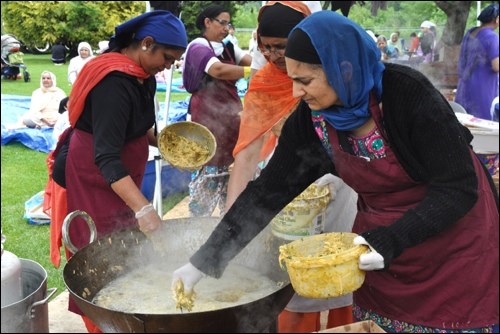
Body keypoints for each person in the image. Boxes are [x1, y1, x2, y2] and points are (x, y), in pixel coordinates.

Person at [172, 10, 499, 333]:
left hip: (454, 246)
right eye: (292, 80)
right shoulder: (313, 120)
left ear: (343, 70)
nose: (296, 92)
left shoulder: (406, 94)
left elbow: (458, 189)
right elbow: (265, 194)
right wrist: (203, 262)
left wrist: (389, 240)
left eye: (305, 81)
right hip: (383, 252)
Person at [44, 10, 187, 333]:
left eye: (175, 61)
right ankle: (104, 324)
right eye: (167, 58)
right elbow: (107, 156)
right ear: (146, 43)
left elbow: (140, 128)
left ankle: (133, 313)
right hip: (96, 176)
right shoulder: (113, 82)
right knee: (98, 254)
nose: (170, 66)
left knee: (128, 245)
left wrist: (170, 145)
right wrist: (144, 208)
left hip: (123, 176)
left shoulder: (143, 76)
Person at [227, 3, 357, 332]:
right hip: (290, 188)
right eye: (264, 46)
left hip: (342, 186)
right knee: (293, 276)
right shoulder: (264, 86)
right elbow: (244, 157)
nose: (271, 55)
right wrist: (230, 229)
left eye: (281, 47)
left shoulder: (340, 74)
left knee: (340, 270)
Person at [182, 5, 252, 217]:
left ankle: (228, 224)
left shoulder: (228, 47)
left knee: (232, 181)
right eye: (222, 23)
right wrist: (252, 71)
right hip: (208, 121)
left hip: (231, 119)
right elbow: (218, 70)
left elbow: (251, 60)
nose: (226, 28)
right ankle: (197, 227)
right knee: (208, 171)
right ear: (207, 22)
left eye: (228, 24)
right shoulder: (198, 46)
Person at [455, 3, 499, 121]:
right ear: (497, 19)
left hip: (464, 87)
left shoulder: (470, 33)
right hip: (482, 89)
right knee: (483, 125)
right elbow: (496, 66)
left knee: (465, 124)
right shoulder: (492, 37)